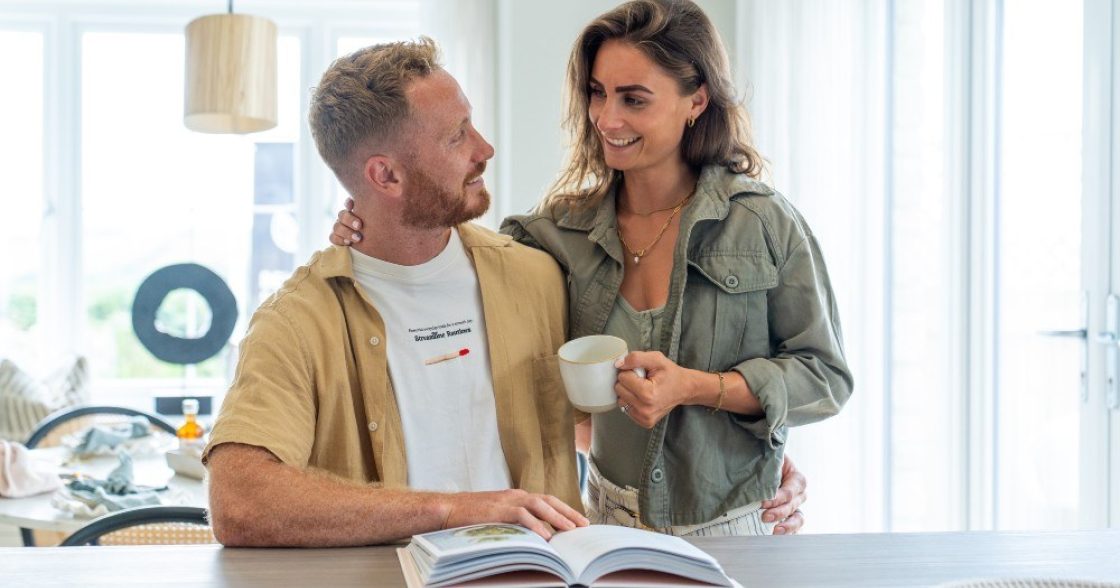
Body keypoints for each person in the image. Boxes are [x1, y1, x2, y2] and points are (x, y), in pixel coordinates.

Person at [330, 0, 840, 536]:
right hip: (603, 522)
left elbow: (824, 377)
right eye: (597, 92)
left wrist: (698, 390)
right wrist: (365, 222)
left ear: (697, 100)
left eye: (634, 99)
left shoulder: (761, 222)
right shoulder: (556, 233)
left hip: (736, 525)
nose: (607, 118)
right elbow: (445, 259)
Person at [204, 38, 590, 547]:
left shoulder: (537, 277)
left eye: (470, 123)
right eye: (456, 138)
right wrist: (451, 509)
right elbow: (239, 503)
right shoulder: (296, 322)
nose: (484, 149)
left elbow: (590, 431)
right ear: (385, 175)